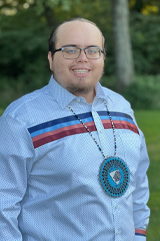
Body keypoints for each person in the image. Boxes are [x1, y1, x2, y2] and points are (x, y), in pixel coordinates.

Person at [0, 18, 150, 241]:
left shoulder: (122, 108)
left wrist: (138, 235)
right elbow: (4, 204)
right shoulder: (21, 119)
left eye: (92, 50)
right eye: (70, 50)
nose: (83, 58)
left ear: (103, 58)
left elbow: (137, 183)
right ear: (51, 59)